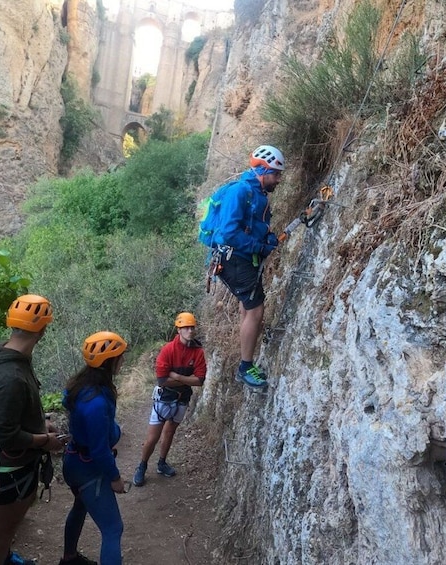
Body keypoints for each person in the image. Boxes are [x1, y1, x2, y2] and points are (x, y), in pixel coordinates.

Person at [0, 294, 68, 565]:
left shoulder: (1, 353)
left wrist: (39, 423)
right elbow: (5, 435)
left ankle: (4, 557)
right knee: (2, 529)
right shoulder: (11, 377)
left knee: (2, 529)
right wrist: (45, 440)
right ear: (42, 331)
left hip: (1, 464)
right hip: (9, 470)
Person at [211, 144, 285, 392]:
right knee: (255, 311)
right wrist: (258, 247)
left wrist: (266, 240)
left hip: (242, 259)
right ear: (263, 170)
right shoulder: (241, 192)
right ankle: (245, 367)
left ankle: (245, 361)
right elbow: (228, 233)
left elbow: (251, 226)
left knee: (247, 306)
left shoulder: (257, 194)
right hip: (234, 260)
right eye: (276, 174)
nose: (278, 180)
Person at [60, 331, 128, 565]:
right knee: (113, 529)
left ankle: (69, 557)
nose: (123, 360)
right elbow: (100, 451)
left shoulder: (81, 386)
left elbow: (66, 401)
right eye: (120, 357)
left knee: (80, 506)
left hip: (74, 461)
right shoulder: (96, 403)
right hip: (89, 467)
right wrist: (115, 477)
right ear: (109, 362)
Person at [132, 312, 207, 487]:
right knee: (153, 437)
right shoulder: (168, 350)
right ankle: (142, 466)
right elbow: (162, 379)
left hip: (181, 398)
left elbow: (200, 380)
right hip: (165, 398)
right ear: (178, 329)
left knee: (170, 432)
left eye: (191, 327)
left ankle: (161, 463)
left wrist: (177, 377)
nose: (189, 331)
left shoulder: (197, 351)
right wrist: (186, 379)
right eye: (185, 328)